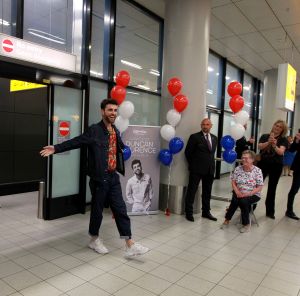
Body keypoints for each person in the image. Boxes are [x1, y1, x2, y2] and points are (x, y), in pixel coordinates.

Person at [40, 99, 149, 258]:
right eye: (110, 110)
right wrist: (56, 148)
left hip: (113, 177)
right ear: (102, 111)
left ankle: (129, 244)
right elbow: (77, 141)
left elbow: (118, 147)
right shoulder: (94, 130)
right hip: (99, 179)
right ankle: (94, 239)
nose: (113, 113)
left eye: (115, 110)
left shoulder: (115, 130)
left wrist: (124, 149)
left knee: (120, 210)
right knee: (97, 211)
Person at [221, 150, 263, 233]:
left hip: (253, 194)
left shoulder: (257, 171)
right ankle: (227, 219)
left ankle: (246, 224)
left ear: (252, 160)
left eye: (246, 158)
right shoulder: (238, 169)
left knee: (243, 201)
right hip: (239, 192)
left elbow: (260, 187)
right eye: (243, 158)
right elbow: (233, 182)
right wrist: (237, 192)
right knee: (235, 200)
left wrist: (248, 193)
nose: (243, 160)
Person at [184, 118, 218, 222]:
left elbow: (211, 154)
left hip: (210, 169)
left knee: (207, 192)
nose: (205, 126)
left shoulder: (214, 138)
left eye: (207, 124)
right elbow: (187, 153)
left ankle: (206, 212)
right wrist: (194, 165)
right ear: (201, 125)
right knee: (192, 191)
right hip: (196, 170)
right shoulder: (194, 137)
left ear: (211, 126)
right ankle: (189, 213)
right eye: (203, 124)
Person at [257, 119, 288, 219]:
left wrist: (274, 145)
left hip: (276, 166)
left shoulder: (283, 139)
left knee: (272, 188)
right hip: (263, 164)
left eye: (280, 127)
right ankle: (250, 207)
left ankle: (270, 211)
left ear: (282, 130)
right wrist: (268, 142)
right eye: (276, 125)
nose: (277, 128)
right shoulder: (265, 136)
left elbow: (280, 152)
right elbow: (260, 146)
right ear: (273, 125)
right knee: (256, 186)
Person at [285, 132, 300, 220]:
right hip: (299, 168)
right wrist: (296, 141)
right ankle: (289, 210)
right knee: (294, 189)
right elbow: (291, 150)